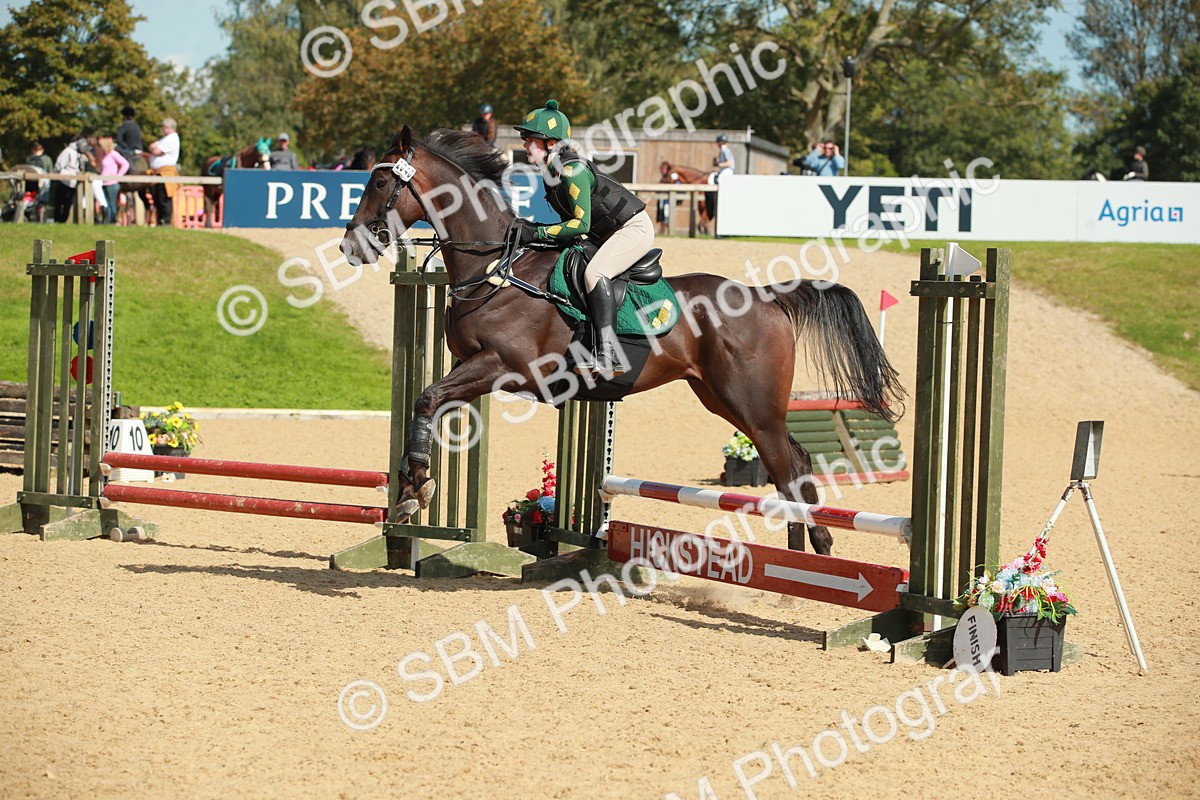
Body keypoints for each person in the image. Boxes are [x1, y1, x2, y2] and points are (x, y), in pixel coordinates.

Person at [511, 99, 655, 377]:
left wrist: (537, 231)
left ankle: (609, 354)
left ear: (550, 143)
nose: (524, 145)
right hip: (607, 233)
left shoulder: (571, 170)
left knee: (595, 272)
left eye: (529, 140)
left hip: (632, 229)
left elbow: (580, 223)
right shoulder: (550, 170)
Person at [146, 118, 180, 225]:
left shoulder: (172, 138)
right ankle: (161, 222)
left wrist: (154, 149)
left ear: (167, 127)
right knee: (159, 199)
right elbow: (152, 147)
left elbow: (156, 150)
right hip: (158, 173)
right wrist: (154, 149)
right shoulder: (165, 139)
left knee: (164, 199)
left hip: (166, 173)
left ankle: (165, 222)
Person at [52, 137, 87, 223]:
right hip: (63, 180)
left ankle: (63, 221)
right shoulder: (68, 151)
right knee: (59, 202)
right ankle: (57, 220)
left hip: (73, 181)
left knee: (68, 203)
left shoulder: (78, 154)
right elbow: (59, 165)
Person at [97, 136, 129, 224]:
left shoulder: (113, 153)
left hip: (112, 183)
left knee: (112, 203)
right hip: (103, 182)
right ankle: (108, 220)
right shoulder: (103, 155)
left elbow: (125, 164)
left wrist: (118, 175)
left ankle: (112, 220)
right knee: (106, 203)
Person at [707, 134, 735, 221]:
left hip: (727, 171)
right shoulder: (725, 149)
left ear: (720, 142)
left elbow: (729, 163)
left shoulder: (724, 149)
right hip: (725, 171)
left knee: (717, 181)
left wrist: (718, 164)